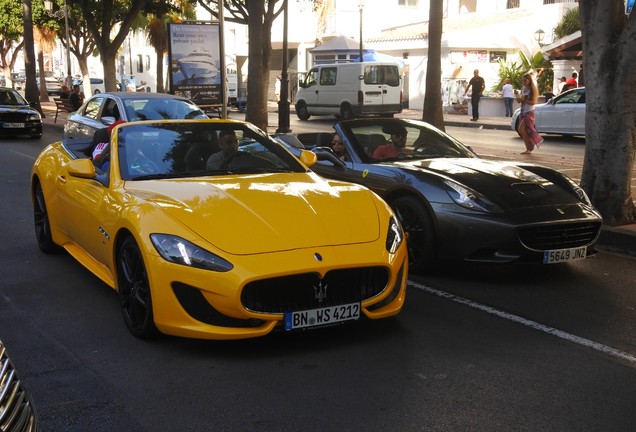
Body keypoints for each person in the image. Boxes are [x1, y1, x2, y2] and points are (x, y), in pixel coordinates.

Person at [516, 73, 543, 155]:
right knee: (523, 131)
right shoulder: (523, 89)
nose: (523, 82)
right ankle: (529, 148)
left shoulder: (532, 90)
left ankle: (531, 144)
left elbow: (533, 102)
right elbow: (518, 100)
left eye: (525, 80)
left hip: (529, 112)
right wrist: (517, 95)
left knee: (522, 129)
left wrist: (524, 100)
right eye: (522, 80)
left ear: (529, 80)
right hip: (523, 111)